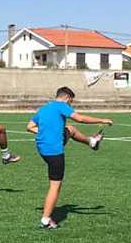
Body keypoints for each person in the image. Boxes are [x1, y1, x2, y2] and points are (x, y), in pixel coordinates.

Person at [27, 87, 113, 229]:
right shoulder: (62, 106)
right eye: (70, 103)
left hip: (42, 148)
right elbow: (80, 118)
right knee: (55, 186)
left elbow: (29, 126)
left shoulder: (44, 108)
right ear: (66, 98)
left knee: (70, 129)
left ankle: (91, 142)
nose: (70, 106)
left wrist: (45, 132)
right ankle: (46, 220)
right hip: (54, 151)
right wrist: (102, 120)